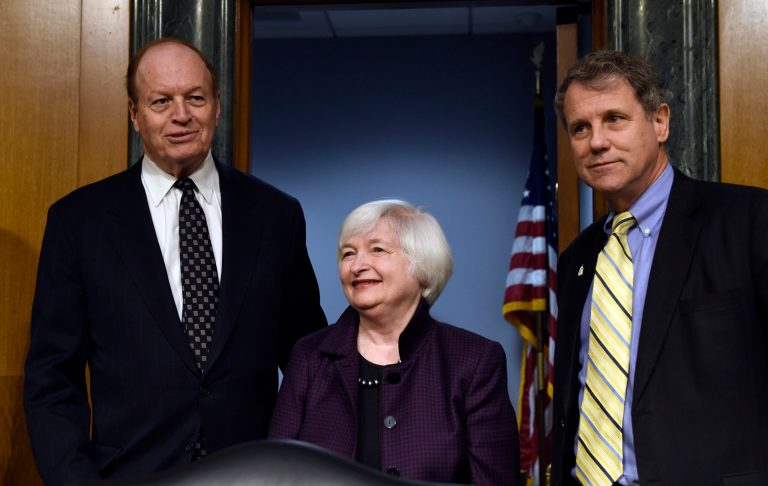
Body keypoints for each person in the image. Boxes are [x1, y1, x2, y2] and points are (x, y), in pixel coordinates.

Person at [23, 38, 327, 485]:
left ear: (217, 106)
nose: (181, 115)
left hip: (256, 476)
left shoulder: (276, 216)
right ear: (134, 114)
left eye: (195, 98)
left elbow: (310, 363)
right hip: (130, 475)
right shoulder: (79, 222)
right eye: (161, 101)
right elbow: (53, 379)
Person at [551, 49, 768, 485]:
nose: (596, 141)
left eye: (614, 118)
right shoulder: (577, 259)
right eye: (580, 128)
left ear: (660, 122)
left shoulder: (749, 221)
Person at [268, 200, 520, 485]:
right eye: (348, 253)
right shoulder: (309, 355)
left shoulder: (474, 360)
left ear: (422, 266)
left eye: (377, 249)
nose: (357, 265)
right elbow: (277, 474)